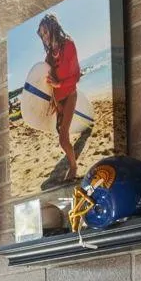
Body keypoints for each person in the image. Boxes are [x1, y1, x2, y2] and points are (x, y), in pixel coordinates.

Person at [38, 14, 82, 178]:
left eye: (45, 32)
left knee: (63, 139)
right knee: (62, 133)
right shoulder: (48, 57)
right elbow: (49, 84)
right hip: (58, 100)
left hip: (70, 95)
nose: (44, 37)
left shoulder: (69, 46)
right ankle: (72, 155)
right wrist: (53, 102)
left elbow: (76, 76)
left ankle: (74, 167)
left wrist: (59, 85)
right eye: (41, 35)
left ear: (53, 28)